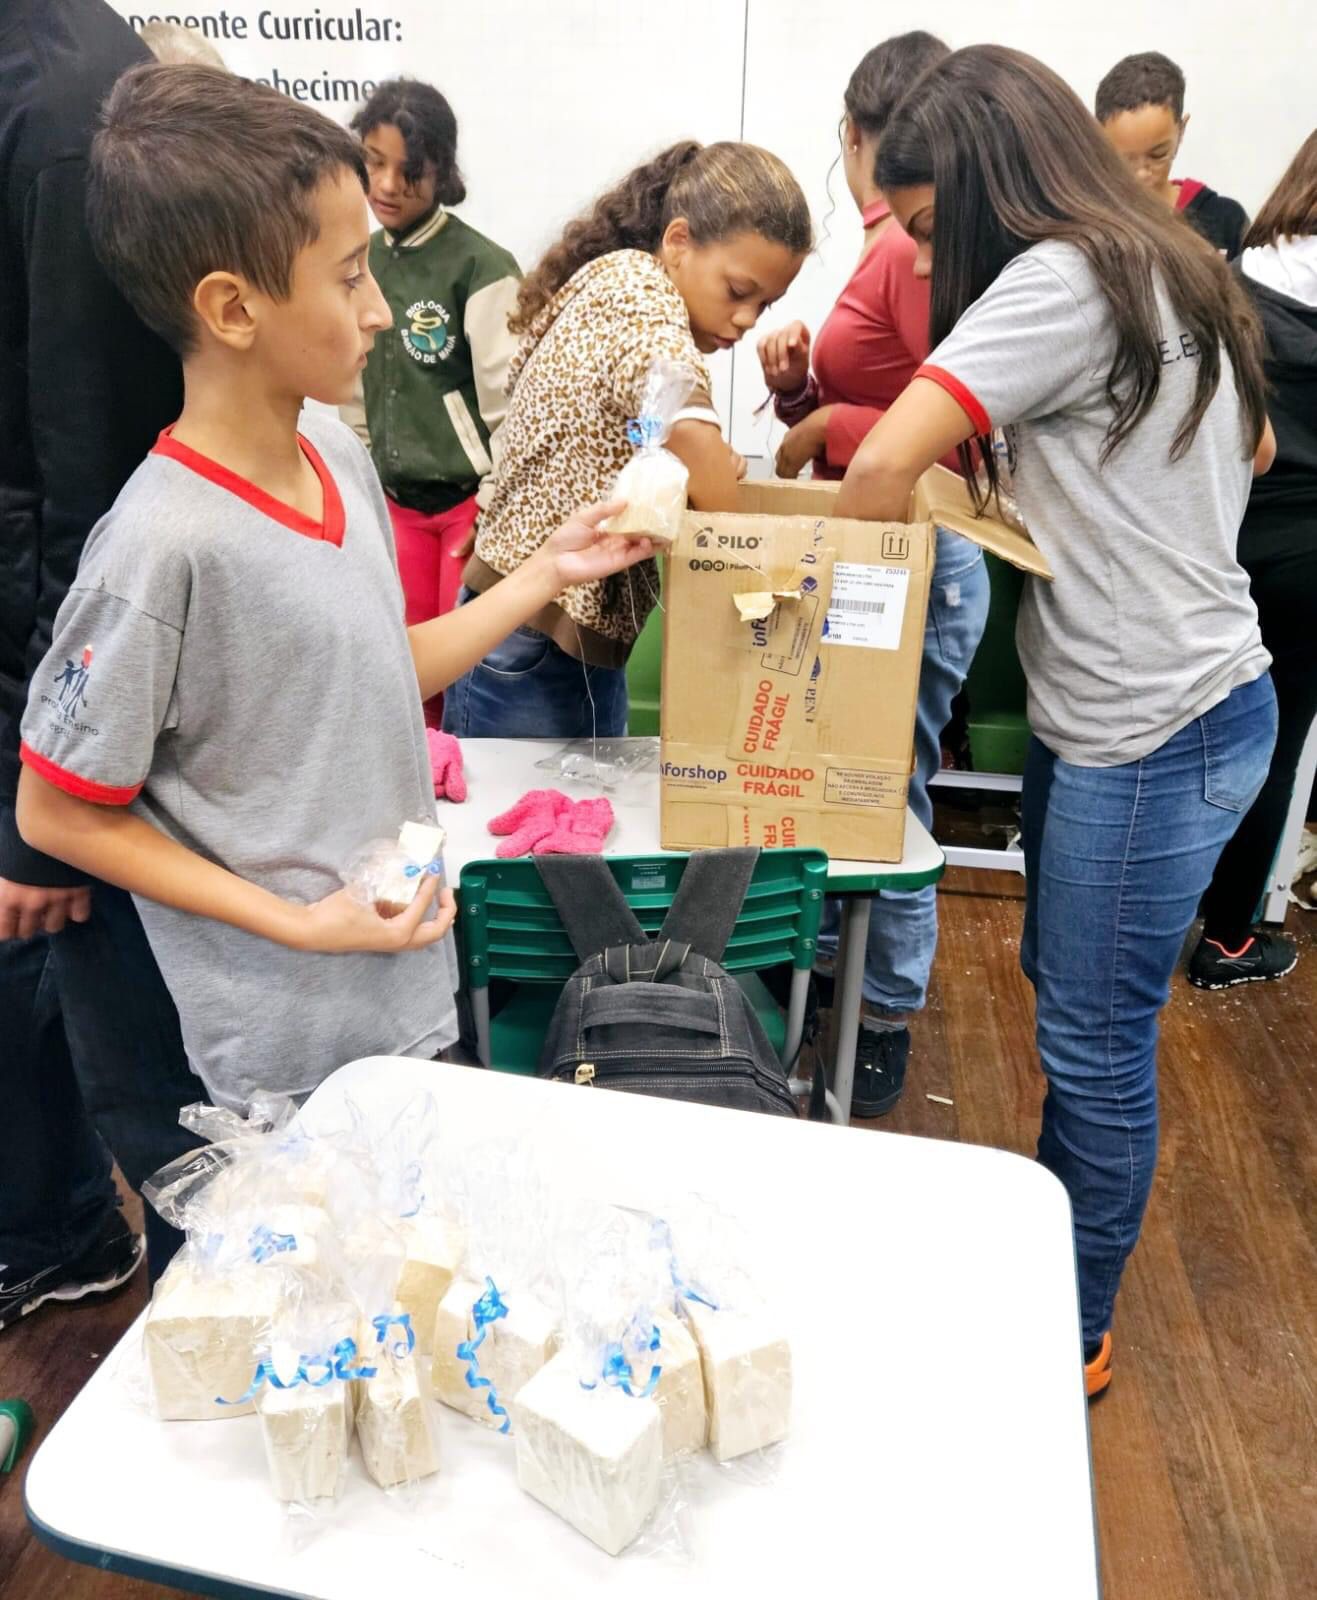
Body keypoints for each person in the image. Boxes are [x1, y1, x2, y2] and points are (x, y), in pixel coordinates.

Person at [15, 64, 655, 1123]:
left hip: (400, 997)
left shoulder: (333, 452)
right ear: (232, 307)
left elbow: (377, 668)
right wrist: (298, 923)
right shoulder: (161, 549)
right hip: (275, 1067)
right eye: (351, 276)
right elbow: (56, 809)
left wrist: (548, 571)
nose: (379, 310)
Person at [835, 45, 1277, 1396]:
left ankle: (1070, 1326)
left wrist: (839, 654)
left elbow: (880, 465)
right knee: (1079, 1008)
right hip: (1194, 704)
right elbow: (1256, 449)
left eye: (926, 228)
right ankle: (1053, 1270)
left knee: (1094, 1041)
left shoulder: (1057, 277)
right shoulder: (1168, 259)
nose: (921, 257)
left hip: (1143, 730)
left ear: (981, 193)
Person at [0, 0, 203, 1329]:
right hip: (54, 693)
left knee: (96, 1019)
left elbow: (86, 509)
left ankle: (64, 1228)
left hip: (57, 703)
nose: (371, 313)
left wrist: (41, 815)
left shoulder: (71, 109)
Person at [756, 31, 986, 1118]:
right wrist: (804, 400)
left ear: (852, 136)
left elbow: (963, 436)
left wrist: (824, 424)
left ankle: (882, 1010)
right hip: (877, 550)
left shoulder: (901, 248)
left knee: (882, 790)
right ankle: (844, 987)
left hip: (913, 557)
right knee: (850, 782)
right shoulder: (895, 247)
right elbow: (893, 407)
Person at [443, 141, 811, 740]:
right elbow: (683, 417)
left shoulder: (615, 280)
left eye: (764, 304)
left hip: (555, 633)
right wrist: (756, 577)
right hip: (532, 641)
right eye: (737, 291)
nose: (748, 319)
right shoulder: (641, 299)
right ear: (678, 241)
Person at [350, 79, 520, 725]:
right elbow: (353, 388)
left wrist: (492, 504)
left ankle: (461, 776)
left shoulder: (481, 267)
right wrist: (361, 478)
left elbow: (511, 407)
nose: (387, 185)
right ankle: (419, 776)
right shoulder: (358, 259)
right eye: (374, 161)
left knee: (467, 673)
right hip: (394, 504)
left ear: (442, 172)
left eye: (410, 171)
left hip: (466, 510)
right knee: (405, 668)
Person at [1190, 130, 1317, 988]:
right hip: (1310, 554)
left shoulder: (1234, 277)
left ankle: (1160, 901)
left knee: (1195, 725)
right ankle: (1228, 939)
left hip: (1222, 529)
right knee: (1273, 745)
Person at [1096, 51, 1249, 257]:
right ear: (1099, 138)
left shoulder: (1223, 219)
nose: (1142, 173)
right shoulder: (1092, 224)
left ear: (1181, 130)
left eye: (1158, 155)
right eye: (1124, 159)